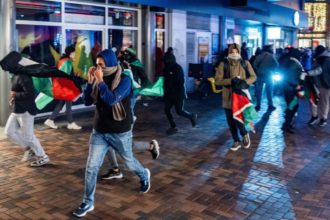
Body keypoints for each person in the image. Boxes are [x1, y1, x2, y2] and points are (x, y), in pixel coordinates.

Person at [72, 49, 151, 218]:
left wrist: (100, 81)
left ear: (111, 63)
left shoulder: (124, 80)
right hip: (99, 130)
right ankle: (88, 202)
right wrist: (90, 82)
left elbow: (111, 99)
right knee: (92, 167)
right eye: (97, 64)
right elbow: (87, 101)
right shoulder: (98, 79)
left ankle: (144, 175)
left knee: (129, 162)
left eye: (102, 64)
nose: (98, 67)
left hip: (120, 131)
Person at [101, 59, 160, 180]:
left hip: (124, 120)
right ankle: (116, 169)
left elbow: (114, 99)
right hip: (116, 120)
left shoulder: (126, 82)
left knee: (119, 146)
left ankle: (149, 149)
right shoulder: (121, 81)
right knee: (115, 144)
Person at [3, 63, 50, 167]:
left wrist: (16, 95)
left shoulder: (23, 76)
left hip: (26, 110)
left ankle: (43, 157)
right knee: (9, 132)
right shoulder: (16, 75)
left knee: (29, 136)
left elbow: (29, 94)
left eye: (7, 68)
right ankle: (28, 149)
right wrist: (13, 98)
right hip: (17, 109)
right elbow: (18, 91)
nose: (7, 71)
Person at [215, 43, 256, 151]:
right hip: (227, 96)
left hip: (241, 96)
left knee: (239, 119)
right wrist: (231, 81)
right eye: (232, 52)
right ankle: (236, 141)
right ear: (229, 52)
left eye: (236, 51)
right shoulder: (223, 64)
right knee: (230, 121)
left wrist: (244, 82)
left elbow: (253, 76)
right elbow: (217, 80)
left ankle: (244, 134)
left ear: (239, 51)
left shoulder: (245, 63)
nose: (234, 53)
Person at [44, 45, 82, 130]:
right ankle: (70, 122)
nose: (75, 54)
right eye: (74, 53)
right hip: (65, 86)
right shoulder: (67, 62)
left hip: (61, 86)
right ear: (70, 53)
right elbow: (65, 76)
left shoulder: (63, 60)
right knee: (68, 103)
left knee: (62, 103)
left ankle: (50, 119)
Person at [163, 47, 197, 135]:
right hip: (170, 94)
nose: (166, 62)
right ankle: (173, 126)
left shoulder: (177, 68)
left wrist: (172, 88)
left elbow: (180, 82)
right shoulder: (166, 69)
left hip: (178, 94)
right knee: (167, 109)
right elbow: (166, 82)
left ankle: (192, 116)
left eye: (167, 61)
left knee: (179, 111)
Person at [279, 47, 304, 133]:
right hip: (291, 88)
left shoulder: (291, 61)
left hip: (289, 87)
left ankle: (287, 123)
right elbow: (291, 76)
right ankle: (286, 125)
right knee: (292, 106)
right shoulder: (293, 63)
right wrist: (297, 84)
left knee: (293, 105)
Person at [304, 45, 330, 127]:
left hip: (325, 84)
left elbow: (319, 70)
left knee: (323, 102)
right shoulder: (320, 58)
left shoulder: (325, 60)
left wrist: (308, 73)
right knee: (314, 101)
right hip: (317, 83)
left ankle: (323, 118)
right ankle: (316, 117)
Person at [253, 44, 279, 111]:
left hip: (260, 75)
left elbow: (254, 65)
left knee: (259, 91)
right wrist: (272, 70)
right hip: (269, 75)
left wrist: (259, 70)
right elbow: (276, 65)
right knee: (269, 91)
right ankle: (270, 105)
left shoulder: (259, 56)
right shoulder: (271, 56)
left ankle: (258, 105)